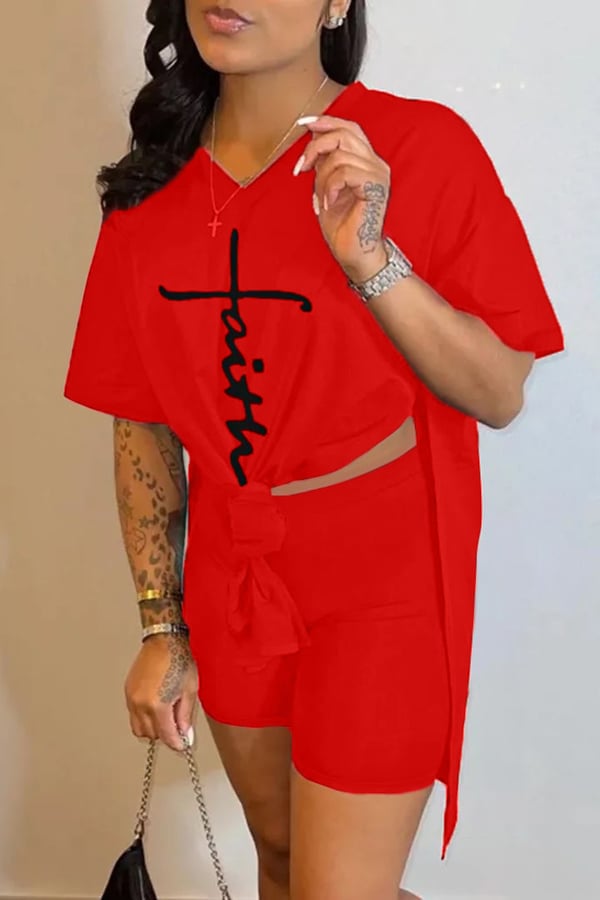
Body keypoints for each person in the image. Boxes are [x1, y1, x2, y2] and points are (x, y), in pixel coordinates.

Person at [63, 1, 565, 898]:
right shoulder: (150, 187)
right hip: (233, 573)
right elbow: (140, 422)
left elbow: (499, 392)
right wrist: (161, 624)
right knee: (287, 867)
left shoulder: (419, 148)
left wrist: (371, 260)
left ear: (338, 1)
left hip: (381, 575)